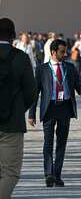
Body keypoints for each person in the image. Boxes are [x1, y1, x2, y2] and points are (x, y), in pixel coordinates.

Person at [28, 39, 81, 188]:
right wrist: (31, 114)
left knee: (61, 144)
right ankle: (48, 174)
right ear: (53, 52)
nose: (65, 54)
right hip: (49, 108)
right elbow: (34, 92)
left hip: (65, 108)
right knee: (48, 142)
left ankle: (57, 175)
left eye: (65, 51)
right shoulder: (42, 69)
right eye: (62, 52)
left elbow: (79, 84)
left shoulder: (70, 67)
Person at [0, 18, 37, 199]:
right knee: (10, 172)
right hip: (12, 125)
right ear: (13, 35)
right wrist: (18, 109)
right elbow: (31, 91)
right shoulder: (21, 57)